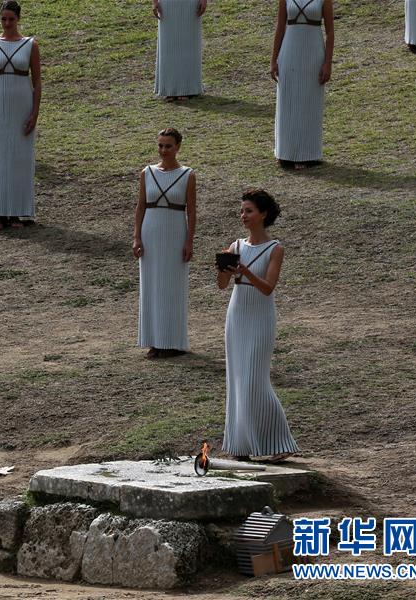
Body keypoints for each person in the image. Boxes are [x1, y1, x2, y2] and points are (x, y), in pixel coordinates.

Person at [216, 190, 298, 462]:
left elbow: (268, 288)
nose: (243, 216)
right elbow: (222, 285)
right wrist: (225, 269)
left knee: (255, 380)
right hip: (237, 316)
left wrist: (246, 271)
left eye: (249, 211)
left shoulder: (275, 248)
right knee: (238, 380)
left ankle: (279, 442)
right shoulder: (236, 245)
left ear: (263, 214)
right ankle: (241, 444)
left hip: (261, 318)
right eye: (241, 211)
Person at [132, 128, 196, 358]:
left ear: (178, 146)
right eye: (160, 145)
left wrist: (189, 241)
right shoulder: (147, 173)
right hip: (151, 232)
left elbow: (192, 210)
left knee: (172, 287)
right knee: (151, 285)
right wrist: (137, 236)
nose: (163, 150)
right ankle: (154, 340)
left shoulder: (188, 174)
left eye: (168, 146)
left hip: (175, 232)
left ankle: (172, 341)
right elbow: (140, 206)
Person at [0, 1, 42, 232]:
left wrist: (34, 113)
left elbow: (36, 81)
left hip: (21, 107)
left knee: (19, 158)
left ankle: (17, 212)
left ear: (18, 19)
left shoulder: (30, 45)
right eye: (3, 19)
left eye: (11, 19)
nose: (7, 24)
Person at [270, 0, 334, 169]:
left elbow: (330, 32)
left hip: (313, 54)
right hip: (289, 52)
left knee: (310, 103)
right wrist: (273, 60)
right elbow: (280, 27)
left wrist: (328, 62)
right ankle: (285, 153)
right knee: (288, 102)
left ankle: (309, 154)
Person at [152, 0, 207, 102]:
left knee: (189, 42)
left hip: (190, 4)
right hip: (167, 4)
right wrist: (155, 2)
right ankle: (169, 89)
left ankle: (188, 88)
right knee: (168, 44)